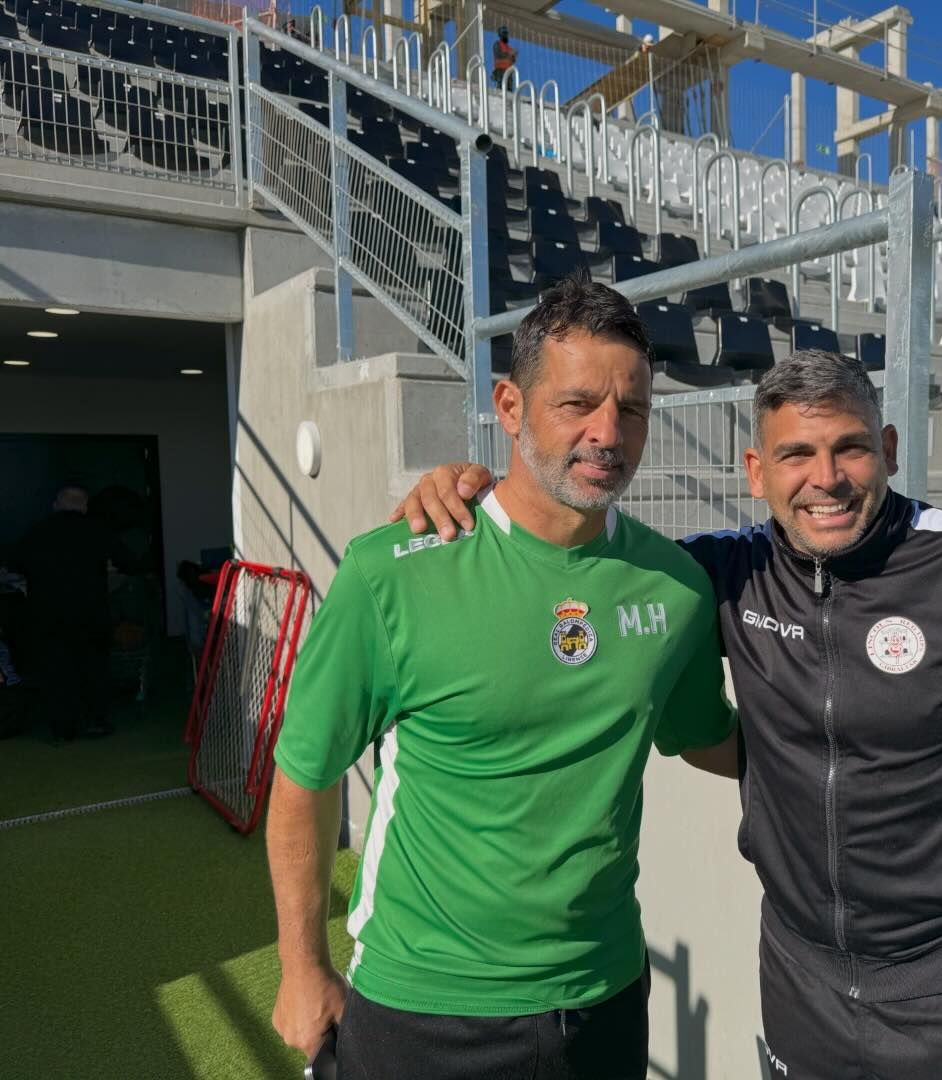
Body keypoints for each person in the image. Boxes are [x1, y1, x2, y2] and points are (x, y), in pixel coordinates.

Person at [395, 348, 942, 1079]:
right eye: (795, 454)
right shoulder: (722, 574)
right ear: (757, 472)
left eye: (850, 450)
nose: (825, 480)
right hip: (799, 975)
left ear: (890, 452)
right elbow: (588, 565)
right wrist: (477, 492)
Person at [267, 279, 736, 1080]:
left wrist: (880, 761)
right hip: (425, 1004)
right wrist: (302, 969)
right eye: (577, 404)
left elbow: (712, 739)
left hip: (604, 995)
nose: (606, 433)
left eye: (631, 410)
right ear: (510, 408)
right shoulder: (393, 574)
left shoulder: (676, 585)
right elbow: (302, 782)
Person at [18, 486, 119, 741]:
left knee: (56, 670)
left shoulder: (37, 531)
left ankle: (63, 728)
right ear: (84, 506)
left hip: (48, 614)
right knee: (93, 667)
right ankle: (96, 720)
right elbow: (128, 561)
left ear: (56, 505)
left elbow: (16, 562)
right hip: (90, 613)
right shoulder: (98, 530)